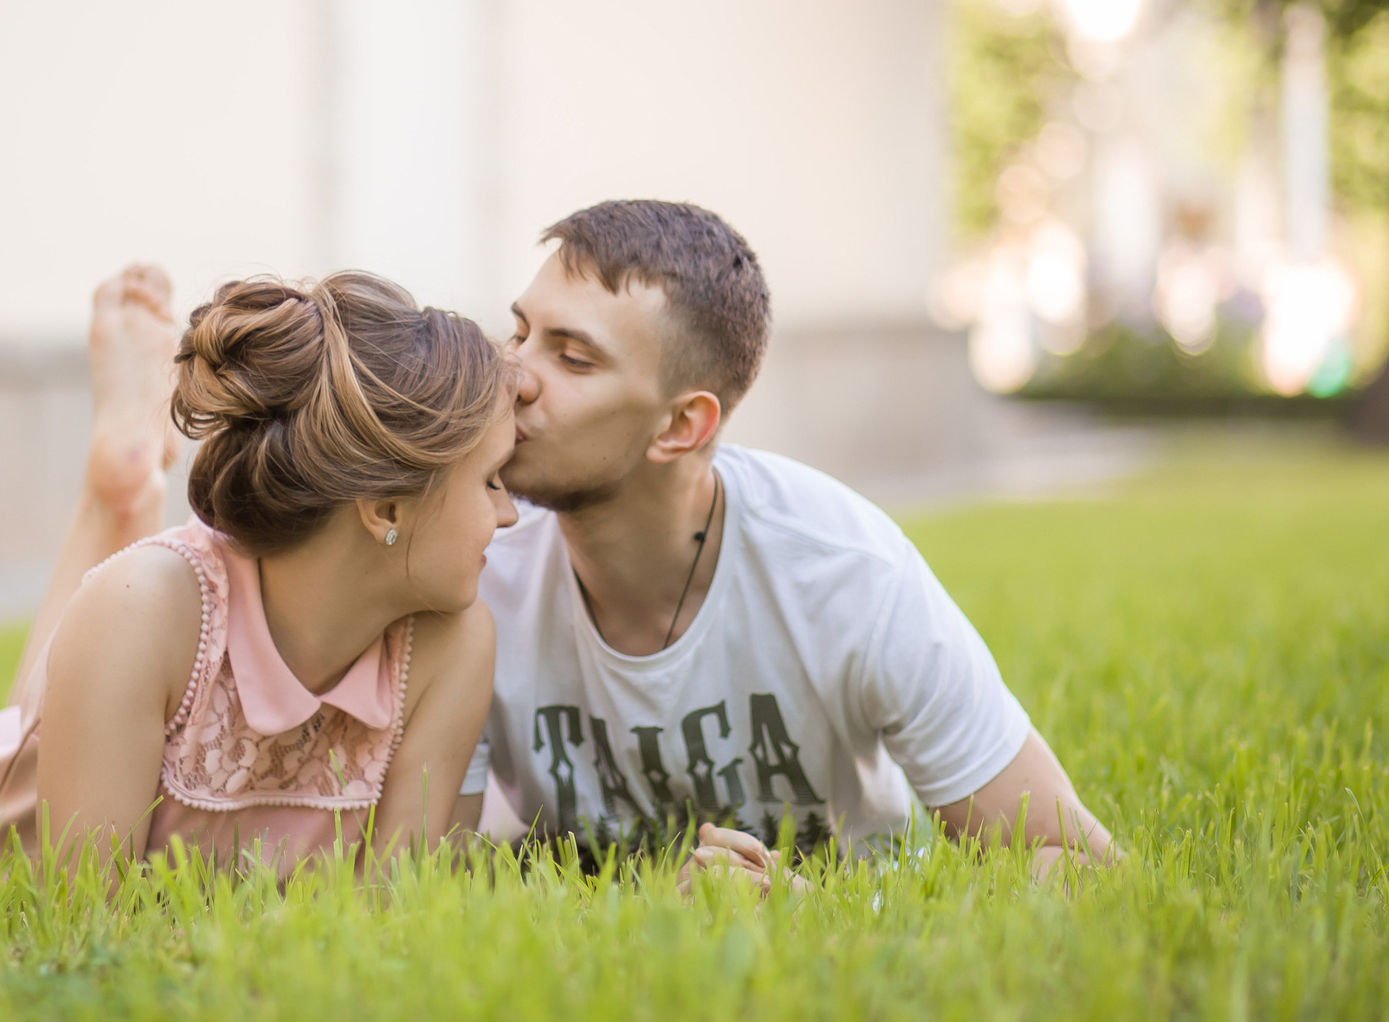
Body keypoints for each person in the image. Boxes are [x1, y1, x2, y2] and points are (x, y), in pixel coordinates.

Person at [463, 200, 1116, 889]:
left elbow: (1079, 862)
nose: (513, 376)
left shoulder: (846, 573)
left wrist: (819, 918)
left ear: (681, 425)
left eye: (571, 357)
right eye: (518, 333)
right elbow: (419, 887)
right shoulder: (470, 565)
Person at [0, 269, 516, 874]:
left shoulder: (452, 646)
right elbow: (81, 918)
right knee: (117, 619)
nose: (511, 513)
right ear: (385, 508)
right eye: (490, 481)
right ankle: (116, 495)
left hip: (122, 669)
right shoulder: (146, 608)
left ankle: (123, 482)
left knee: (118, 625)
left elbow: (394, 910)